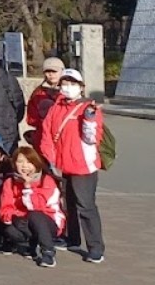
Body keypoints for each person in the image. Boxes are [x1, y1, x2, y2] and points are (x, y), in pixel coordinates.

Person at [38, 67, 106, 264]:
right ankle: (72, 238)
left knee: (86, 206)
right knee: (68, 204)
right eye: (64, 84)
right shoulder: (56, 107)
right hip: (62, 164)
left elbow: (92, 137)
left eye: (72, 83)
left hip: (83, 165)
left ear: (81, 87)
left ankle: (95, 247)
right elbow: (47, 135)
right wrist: (52, 161)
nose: (68, 88)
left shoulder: (87, 108)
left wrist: (90, 120)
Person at [0, 143, 65, 267]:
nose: (25, 166)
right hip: (24, 221)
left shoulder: (47, 180)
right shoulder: (10, 182)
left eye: (29, 162)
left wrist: (27, 187)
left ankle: (48, 252)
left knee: (35, 215)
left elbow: (37, 207)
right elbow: (5, 207)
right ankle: (29, 246)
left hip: (48, 221)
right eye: (20, 162)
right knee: (10, 229)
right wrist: (13, 216)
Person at [24, 56, 65, 143]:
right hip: (44, 135)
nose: (51, 74)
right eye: (47, 71)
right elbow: (31, 118)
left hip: (65, 134)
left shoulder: (69, 91)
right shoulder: (38, 93)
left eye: (54, 71)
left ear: (62, 71)